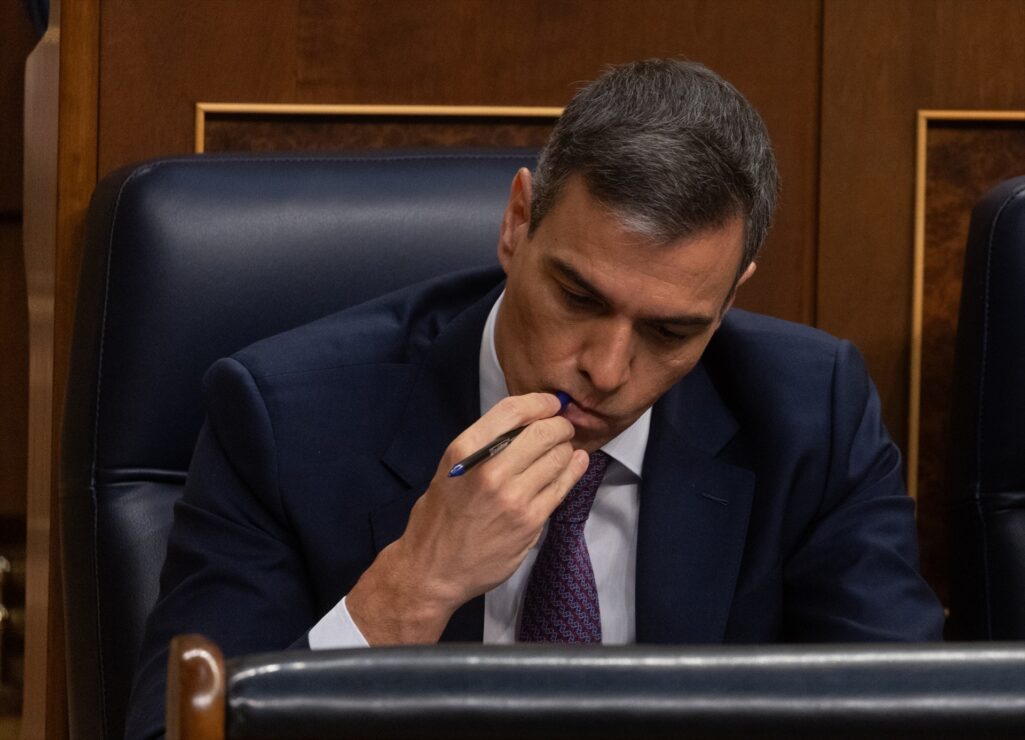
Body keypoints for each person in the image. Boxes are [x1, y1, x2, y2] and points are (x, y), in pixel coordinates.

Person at [126, 59, 944, 737]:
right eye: (579, 299)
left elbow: (913, 718)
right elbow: (177, 730)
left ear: (729, 301)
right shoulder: (286, 417)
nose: (607, 368)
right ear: (517, 223)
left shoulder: (810, 412)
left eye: (669, 333)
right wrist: (411, 588)